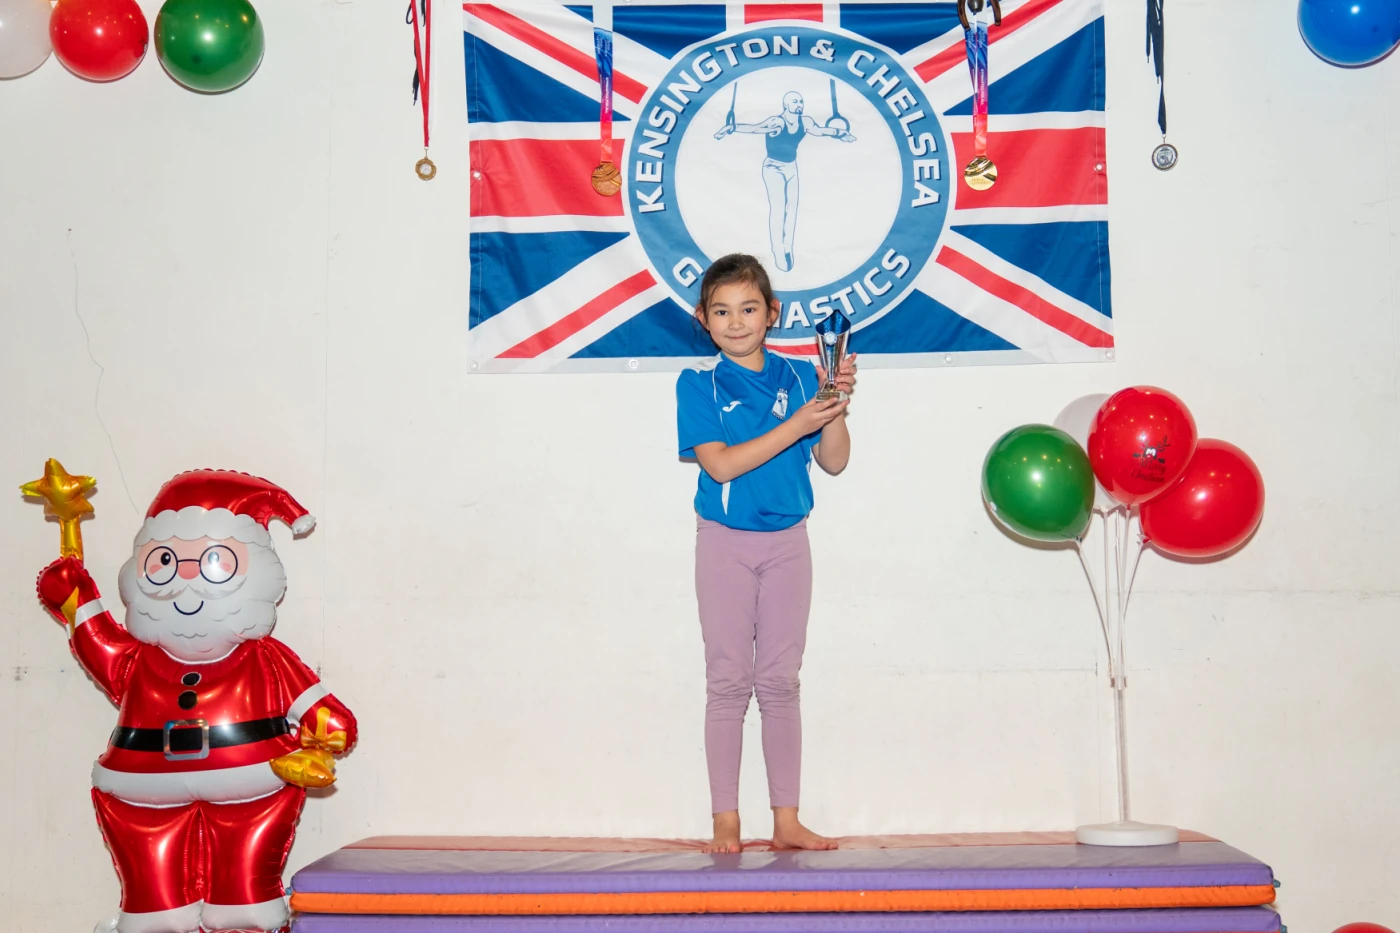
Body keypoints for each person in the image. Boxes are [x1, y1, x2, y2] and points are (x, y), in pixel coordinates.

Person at [675, 252, 856, 853]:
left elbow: (833, 460)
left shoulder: (804, 376)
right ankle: (725, 819)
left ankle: (786, 820)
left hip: (789, 543)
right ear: (703, 318)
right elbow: (722, 463)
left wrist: (832, 408)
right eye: (721, 311)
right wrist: (797, 422)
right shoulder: (697, 383)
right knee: (728, 682)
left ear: (772, 313)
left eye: (749, 308)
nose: (736, 321)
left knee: (780, 682)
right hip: (724, 544)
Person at [714, 90, 856, 272]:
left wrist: (839, 131)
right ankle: (777, 250)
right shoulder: (777, 122)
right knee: (779, 208)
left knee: (792, 209)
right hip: (773, 168)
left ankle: (787, 247)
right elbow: (755, 128)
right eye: (795, 102)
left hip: (791, 168)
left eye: (801, 102)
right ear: (786, 105)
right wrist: (731, 128)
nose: (799, 105)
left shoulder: (805, 122)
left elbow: (819, 131)